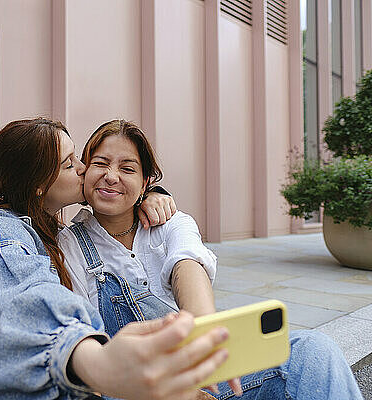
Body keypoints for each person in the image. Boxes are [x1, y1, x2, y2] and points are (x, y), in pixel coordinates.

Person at [0, 118, 231, 400]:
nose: (87, 171)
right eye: (72, 164)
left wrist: (151, 195)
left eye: (127, 169)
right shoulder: (1, 231)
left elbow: (187, 262)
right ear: (40, 184)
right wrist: (96, 362)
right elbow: (28, 298)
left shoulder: (44, 230)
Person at [57, 119, 364, 400]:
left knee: (312, 350)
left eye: (127, 168)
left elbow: (186, 267)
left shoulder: (172, 223)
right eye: (100, 164)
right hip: (131, 386)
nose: (111, 176)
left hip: (199, 371)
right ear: (84, 172)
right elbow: (86, 345)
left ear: (146, 181)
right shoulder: (69, 244)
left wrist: (204, 353)